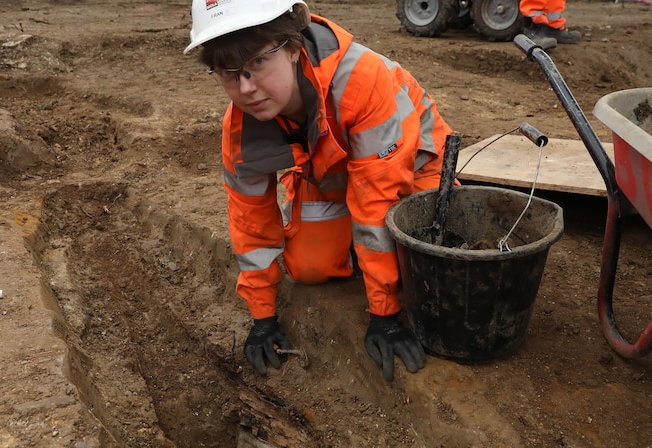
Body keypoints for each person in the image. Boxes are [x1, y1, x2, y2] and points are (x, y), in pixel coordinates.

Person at [184, 0, 455, 381]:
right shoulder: (239, 128)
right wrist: (262, 317)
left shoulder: (361, 80)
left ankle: (379, 264)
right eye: (230, 74)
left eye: (257, 64)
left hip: (413, 166)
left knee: (428, 270)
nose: (246, 88)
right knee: (310, 267)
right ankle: (358, 250)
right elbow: (250, 221)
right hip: (335, 175)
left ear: (292, 47)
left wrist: (385, 315)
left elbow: (378, 198)